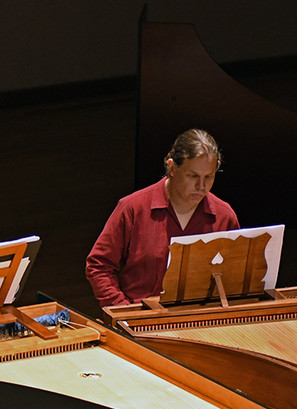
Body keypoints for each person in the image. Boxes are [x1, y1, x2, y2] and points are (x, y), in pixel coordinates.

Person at [85, 128, 240, 307]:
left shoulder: (224, 216)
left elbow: (234, 278)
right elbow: (99, 266)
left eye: (209, 176)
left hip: (200, 319)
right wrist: (123, 310)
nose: (201, 186)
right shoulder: (133, 208)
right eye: (193, 176)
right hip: (140, 320)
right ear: (172, 167)